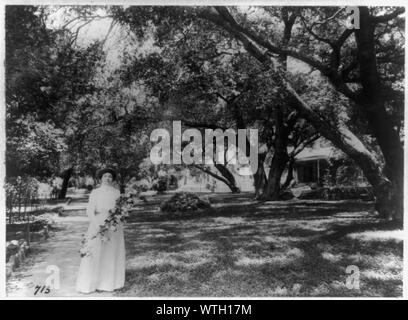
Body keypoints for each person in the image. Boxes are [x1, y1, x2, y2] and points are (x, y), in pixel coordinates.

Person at [76, 168, 125, 293]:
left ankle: (109, 283)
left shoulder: (116, 192)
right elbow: (90, 211)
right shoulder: (95, 192)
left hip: (113, 225)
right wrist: (97, 224)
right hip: (98, 223)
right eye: (105, 176)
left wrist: (117, 220)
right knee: (96, 251)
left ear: (113, 179)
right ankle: (92, 283)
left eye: (110, 176)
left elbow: (120, 209)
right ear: (101, 178)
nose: (108, 178)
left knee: (111, 251)